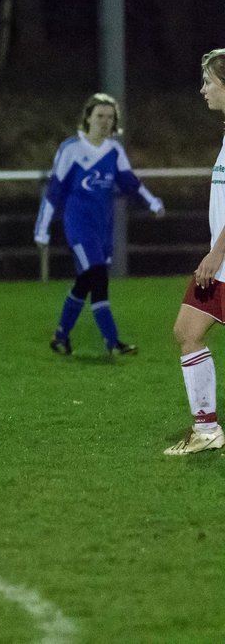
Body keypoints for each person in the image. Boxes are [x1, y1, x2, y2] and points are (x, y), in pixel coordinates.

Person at [33, 92, 164, 356]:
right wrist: (42, 228)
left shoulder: (114, 150)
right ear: (88, 118)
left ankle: (60, 337)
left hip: (103, 228)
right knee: (98, 277)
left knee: (86, 282)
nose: (105, 121)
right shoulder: (70, 149)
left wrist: (151, 202)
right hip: (78, 227)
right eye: (100, 116)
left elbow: (129, 183)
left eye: (110, 117)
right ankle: (112, 342)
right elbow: (54, 191)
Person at [166, 50, 225, 454]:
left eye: (209, 82)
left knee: (187, 332)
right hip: (221, 263)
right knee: (187, 332)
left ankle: (206, 431)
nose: (203, 90)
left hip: (221, 262)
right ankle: (206, 430)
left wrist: (216, 252)